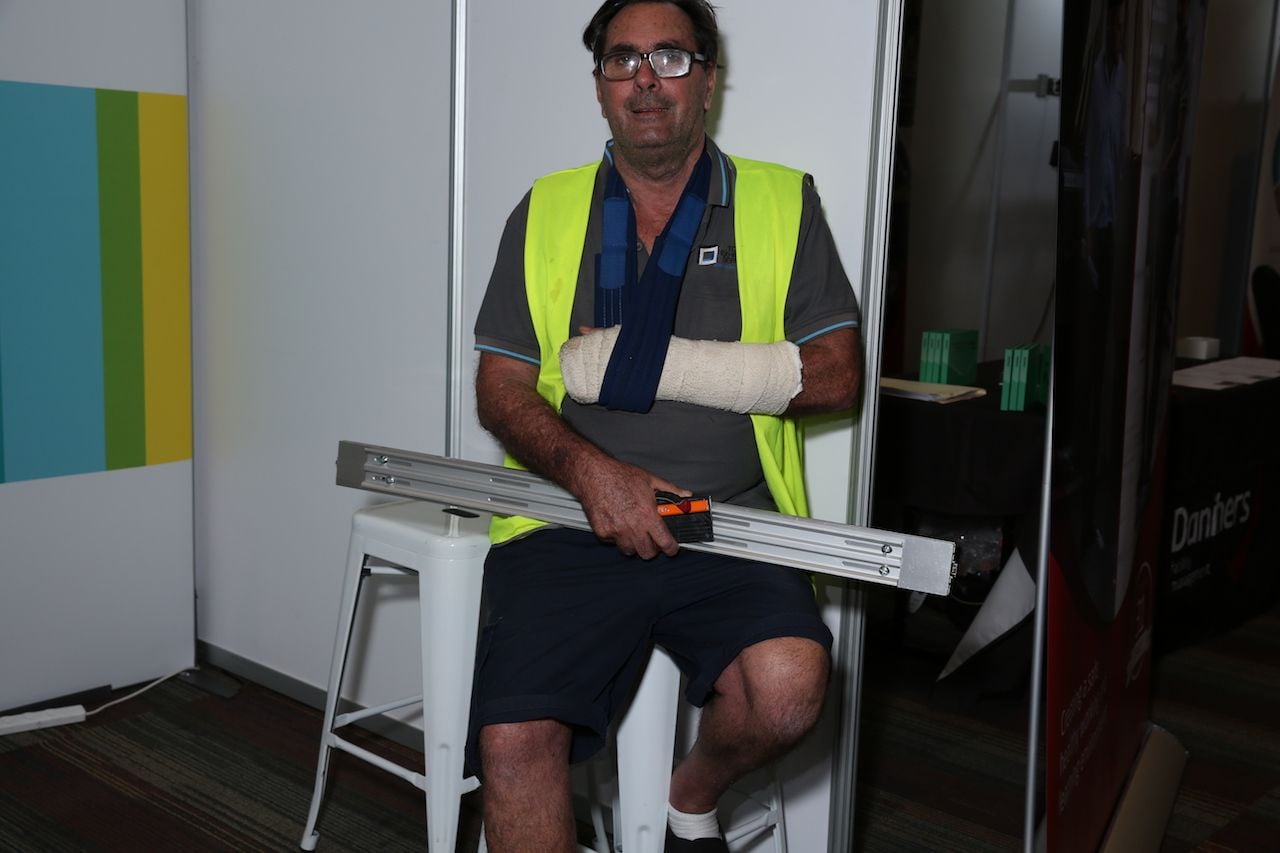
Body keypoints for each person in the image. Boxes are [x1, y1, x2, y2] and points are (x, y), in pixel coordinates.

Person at [469, 1, 862, 850]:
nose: (645, 79)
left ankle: (691, 792)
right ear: (600, 86)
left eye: (671, 58)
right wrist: (592, 475)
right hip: (568, 516)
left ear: (708, 80)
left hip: (726, 517)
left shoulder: (781, 200)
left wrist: (667, 365)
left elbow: (838, 374)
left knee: (788, 689)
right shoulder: (545, 209)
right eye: (623, 60)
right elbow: (498, 391)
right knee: (512, 742)